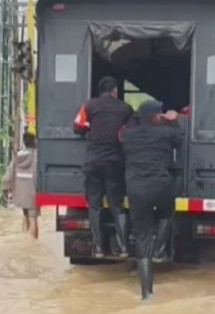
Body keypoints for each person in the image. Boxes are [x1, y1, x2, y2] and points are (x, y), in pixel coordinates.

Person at [119, 100, 183, 300]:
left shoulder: (128, 135)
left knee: (142, 240)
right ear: (154, 116)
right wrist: (173, 121)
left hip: (136, 191)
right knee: (167, 212)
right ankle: (160, 249)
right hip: (160, 187)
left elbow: (123, 134)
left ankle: (147, 294)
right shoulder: (164, 133)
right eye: (159, 114)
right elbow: (179, 140)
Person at [73, 76, 133, 258]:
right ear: (115, 91)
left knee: (95, 206)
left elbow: (77, 126)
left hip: (93, 162)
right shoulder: (125, 108)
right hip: (114, 163)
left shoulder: (89, 106)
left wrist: (91, 126)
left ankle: (98, 248)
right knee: (117, 205)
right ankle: (123, 247)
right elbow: (131, 131)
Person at [1, 132, 39, 239]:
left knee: (25, 216)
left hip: (19, 192)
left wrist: (4, 188)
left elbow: (9, 174)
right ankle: (31, 245)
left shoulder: (18, 156)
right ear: (34, 142)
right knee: (33, 218)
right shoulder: (37, 156)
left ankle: (24, 241)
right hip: (32, 191)